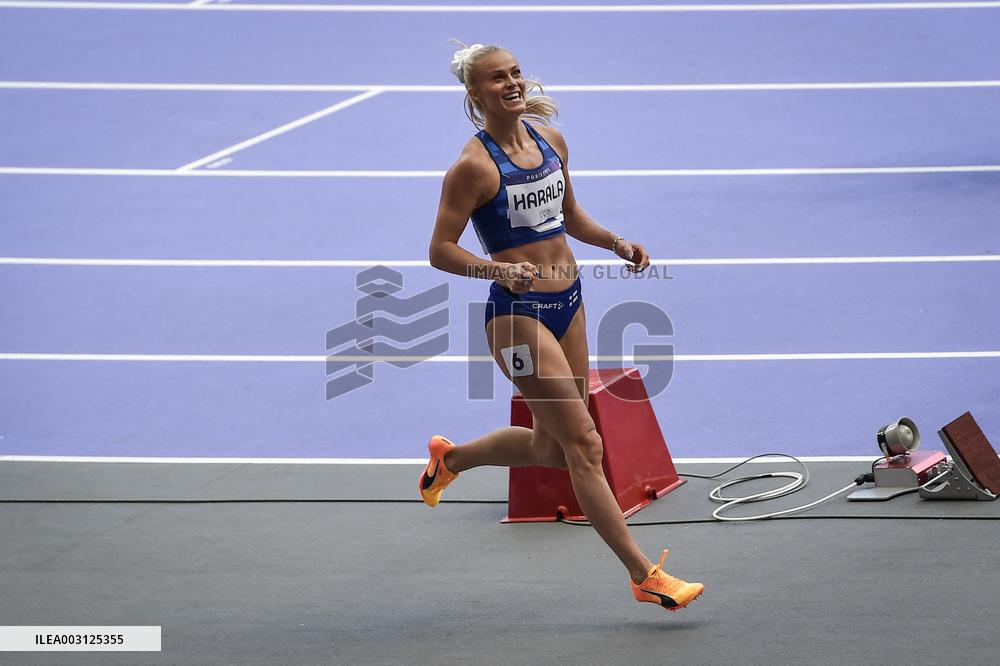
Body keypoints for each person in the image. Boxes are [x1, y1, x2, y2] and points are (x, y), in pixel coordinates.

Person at [421, 42, 704, 613]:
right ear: (474, 94)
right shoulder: (473, 168)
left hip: (570, 303)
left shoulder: (551, 141)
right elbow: (440, 250)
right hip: (516, 318)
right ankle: (644, 575)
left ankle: (450, 460)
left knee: (550, 448)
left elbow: (569, 217)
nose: (512, 83)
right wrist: (498, 270)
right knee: (584, 443)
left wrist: (616, 242)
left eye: (515, 73)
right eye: (497, 78)